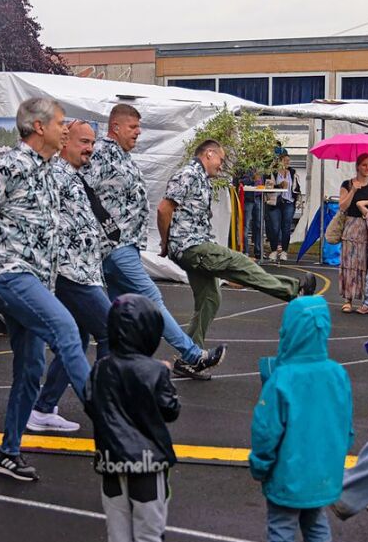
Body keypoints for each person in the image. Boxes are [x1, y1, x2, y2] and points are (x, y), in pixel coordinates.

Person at [0, 98, 91, 482]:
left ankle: (7, 453)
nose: (66, 129)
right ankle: (107, 419)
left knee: (31, 366)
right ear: (38, 127)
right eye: (61, 123)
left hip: (35, 278)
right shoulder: (10, 164)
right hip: (7, 272)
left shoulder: (51, 170)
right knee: (67, 329)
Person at [82, 104, 225, 381]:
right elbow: (83, 190)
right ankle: (193, 355)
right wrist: (103, 229)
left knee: (111, 321)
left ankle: (106, 379)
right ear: (116, 127)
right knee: (153, 299)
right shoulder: (101, 154)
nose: (138, 132)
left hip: (122, 248)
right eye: (133, 127)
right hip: (115, 247)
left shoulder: (123, 157)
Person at [242, 296, 352, 542]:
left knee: (281, 524)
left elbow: (266, 430)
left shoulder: (282, 378)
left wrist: (260, 464)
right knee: (316, 520)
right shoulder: (337, 373)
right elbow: (346, 422)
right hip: (322, 472)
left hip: (288, 472)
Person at [157, 140, 316, 350]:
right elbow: (163, 209)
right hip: (190, 247)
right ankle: (294, 291)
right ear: (209, 154)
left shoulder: (201, 179)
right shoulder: (188, 174)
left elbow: (198, 223)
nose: (221, 166)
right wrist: (166, 243)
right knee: (239, 260)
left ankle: (191, 355)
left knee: (210, 297)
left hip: (194, 246)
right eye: (220, 160)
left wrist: (227, 273)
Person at [85, 294, 178, 542]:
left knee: (118, 531)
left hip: (110, 462)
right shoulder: (155, 371)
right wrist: (163, 376)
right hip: (148, 466)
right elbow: (170, 410)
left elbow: (90, 404)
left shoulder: (100, 369)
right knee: (150, 531)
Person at [26, 120, 111, 433]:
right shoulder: (54, 174)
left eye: (92, 142)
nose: (89, 148)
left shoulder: (75, 177)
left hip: (84, 272)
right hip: (69, 274)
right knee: (111, 331)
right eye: (83, 141)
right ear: (64, 142)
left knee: (75, 338)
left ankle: (43, 408)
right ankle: (105, 404)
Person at [337, 153, 368, 313]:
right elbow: (342, 206)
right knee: (351, 262)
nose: (367, 168)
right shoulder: (347, 184)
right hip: (352, 226)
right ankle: (348, 299)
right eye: (364, 165)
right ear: (357, 166)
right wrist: (353, 190)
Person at [265, 152, 302, 262]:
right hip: (275, 202)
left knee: (286, 228)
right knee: (275, 227)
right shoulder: (273, 172)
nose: (287, 163)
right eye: (285, 160)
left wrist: (298, 199)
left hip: (289, 202)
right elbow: (267, 186)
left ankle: (284, 251)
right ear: (279, 162)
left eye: (288, 161)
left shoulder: (292, 172)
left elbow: (296, 187)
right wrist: (279, 185)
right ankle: (274, 250)